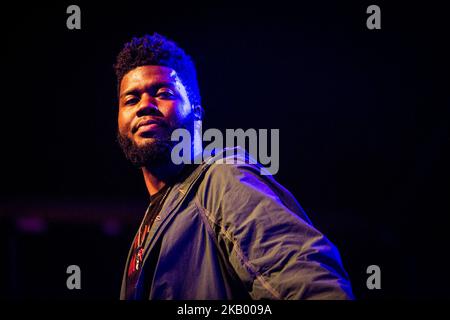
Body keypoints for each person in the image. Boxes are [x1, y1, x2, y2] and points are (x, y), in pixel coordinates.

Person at [114, 33, 354, 300]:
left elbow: (312, 287)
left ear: (196, 111)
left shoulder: (221, 178)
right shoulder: (146, 230)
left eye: (163, 93)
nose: (145, 106)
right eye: (131, 99)